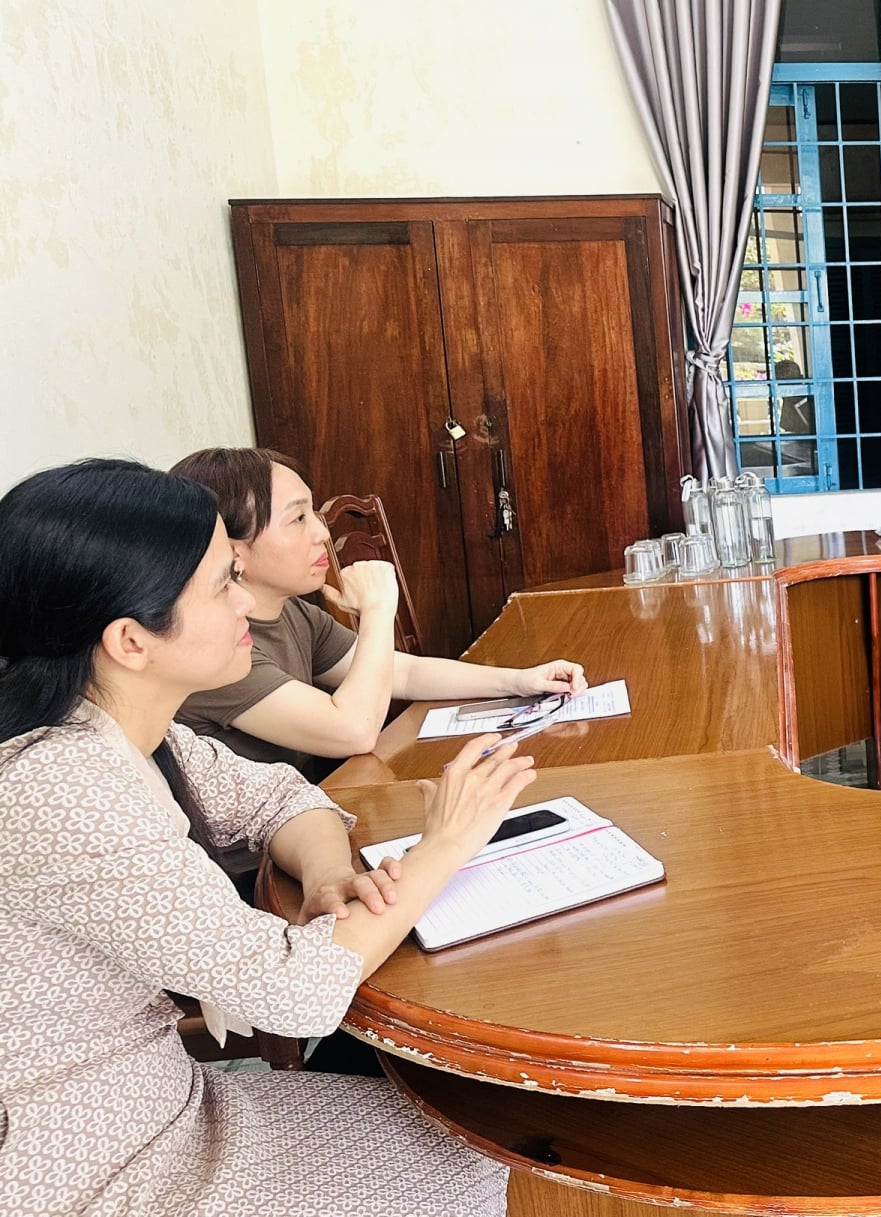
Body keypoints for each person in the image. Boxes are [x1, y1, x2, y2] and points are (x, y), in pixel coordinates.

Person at [0, 458, 535, 1216]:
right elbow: (295, 993)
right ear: (130, 640)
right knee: (490, 1152)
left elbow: (279, 795)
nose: (247, 601)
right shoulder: (63, 788)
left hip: (169, 1106)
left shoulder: (122, 732)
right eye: (224, 583)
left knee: (485, 1136)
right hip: (95, 1170)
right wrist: (445, 843)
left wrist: (327, 876)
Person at [170, 448, 585, 789]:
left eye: (313, 513)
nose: (322, 533)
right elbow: (353, 730)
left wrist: (519, 682)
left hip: (312, 816)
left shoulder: (291, 612)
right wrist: (378, 610)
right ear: (232, 550)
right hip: (256, 858)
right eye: (298, 519)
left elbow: (404, 673)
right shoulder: (214, 646)